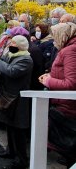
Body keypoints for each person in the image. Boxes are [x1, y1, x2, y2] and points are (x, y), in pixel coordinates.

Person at [0, 35, 33, 169]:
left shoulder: (26, 59)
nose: (10, 45)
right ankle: (10, 151)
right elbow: (0, 62)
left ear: (20, 45)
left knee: (18, 130)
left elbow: (11, 71)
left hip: (18, 99)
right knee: (9, 125)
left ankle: (22, 160)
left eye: (13, 43)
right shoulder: (10, 54)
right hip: (7, 95)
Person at [39, 22, 76, 167]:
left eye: (55, 37)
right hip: (65, 105)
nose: (53, 40)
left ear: (63, 36)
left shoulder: (70, 51)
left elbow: (71, 84)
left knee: (68, 147)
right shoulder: (69, 48)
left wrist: (49, 81)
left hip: (66, 106)